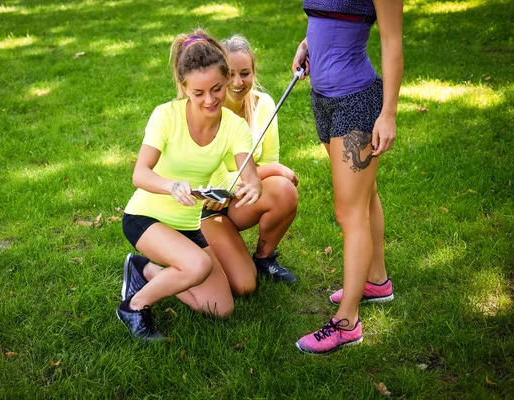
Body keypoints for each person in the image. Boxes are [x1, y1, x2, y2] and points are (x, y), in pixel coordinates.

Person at [117, 29, 263, 341]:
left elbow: (249, 174)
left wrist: (254, 187)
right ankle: (135, 306)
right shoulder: (166, 116)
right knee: (196, 265)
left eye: (217, 89)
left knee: (219, 308)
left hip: (186, 226)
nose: (210, 99)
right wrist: (170, 185)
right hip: (147, 219)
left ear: (226, 80)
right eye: (198, 93)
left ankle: (143, 270)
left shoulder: (235, 127)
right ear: (184, 87)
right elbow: (140, 174)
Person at [292, 0, 403, 354]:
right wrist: (308, 44)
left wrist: (388, 113)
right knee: (364, 196)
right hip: (322, 98)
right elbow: (329, 19)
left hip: (356, 100)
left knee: (349, 212)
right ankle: (376, 281)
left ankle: (347, 322)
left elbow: (392, 42)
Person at [199, 34, 299, 296]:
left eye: (245, 73)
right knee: (244, 286)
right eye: (230, 74)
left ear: (253, 72)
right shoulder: (210, 108)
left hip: (237, 199)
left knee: (284, 190)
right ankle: (170, 262)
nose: (237, 82)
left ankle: (265, 258)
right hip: (206, 206)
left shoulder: (263, 104)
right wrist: (268, 172)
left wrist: (265, 174)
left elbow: (269, 159)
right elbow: (216, 180)